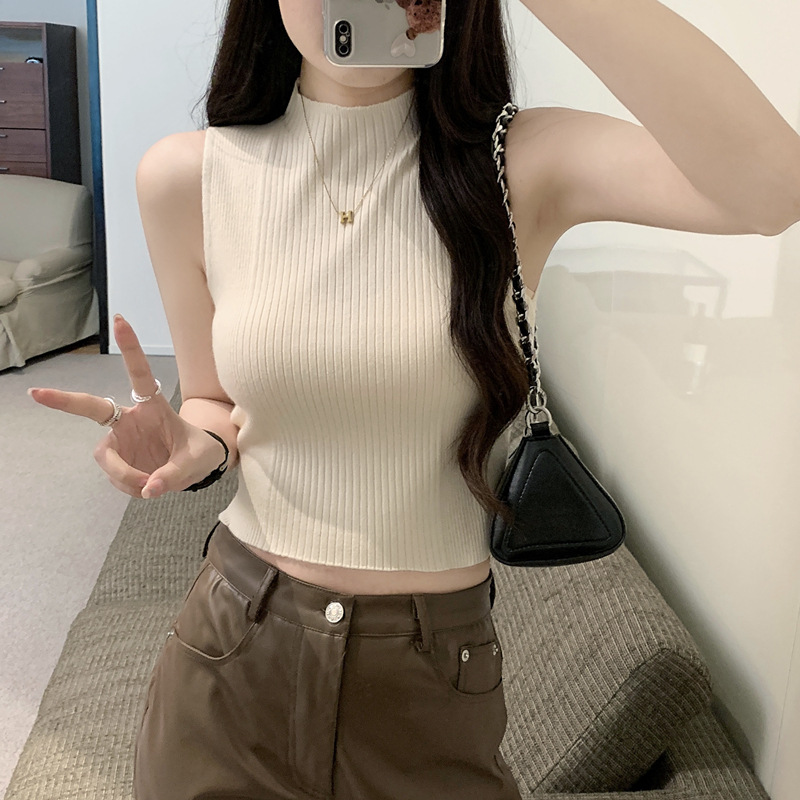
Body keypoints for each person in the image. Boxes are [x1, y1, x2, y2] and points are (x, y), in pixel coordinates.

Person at [27, 0, 800, 798]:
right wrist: (198, 444)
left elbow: (772, 188)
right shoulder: (188, 176)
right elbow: (214, 400)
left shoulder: (520, 165)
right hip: (231, 655)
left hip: (432, 681)